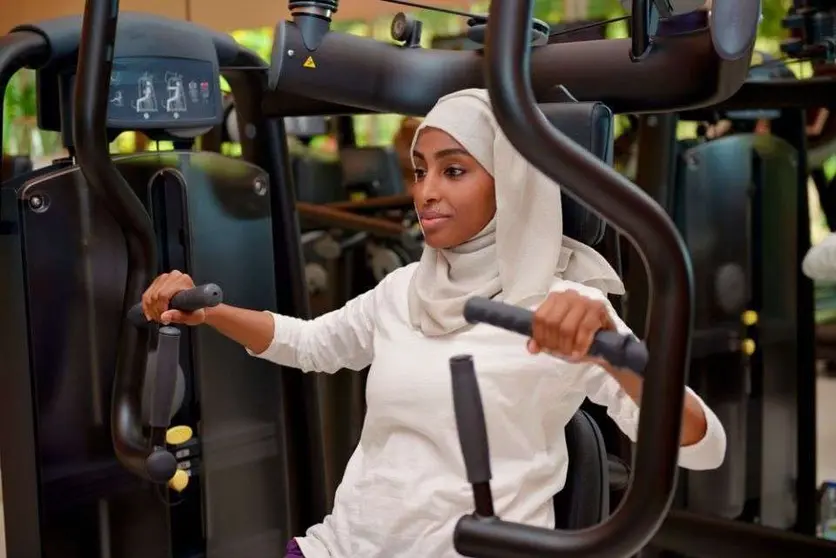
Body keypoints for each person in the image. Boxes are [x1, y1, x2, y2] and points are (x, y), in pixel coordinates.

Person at [141, 89, 726, 558]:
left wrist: (614, 357)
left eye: (453, 171)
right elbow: (311, 343)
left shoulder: (566, 306)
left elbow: (704, 447)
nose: (425, 192)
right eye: (420, 171)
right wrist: (210, 312)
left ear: (510, 182)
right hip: (345, 546)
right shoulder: (403, 289)